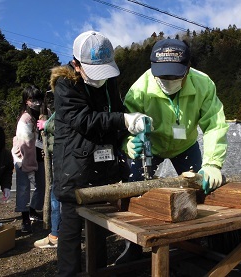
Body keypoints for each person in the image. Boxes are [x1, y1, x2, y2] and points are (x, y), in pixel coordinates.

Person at [119, 38, 229, 263]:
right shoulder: (139, 89)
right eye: (163, 76)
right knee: (134, 190)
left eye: (175, 76)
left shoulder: (204, 84)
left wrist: (213, 163)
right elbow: (123, 124)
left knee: (200, 189)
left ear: (188, 68)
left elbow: (215, 124)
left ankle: (194, 241)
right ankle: (131, 245)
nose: (168, 81)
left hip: (185, 145)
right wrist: (127, 144)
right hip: (151, 146)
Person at [51, 30, 151, 276]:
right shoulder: (65, 86)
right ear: (76, 65)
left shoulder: (109, 82)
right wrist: (124, 120)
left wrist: (126, 137)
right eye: (94, 72)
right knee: (72, 230)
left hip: (102, 165)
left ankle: (97, 271)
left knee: (99, 227)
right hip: (74, 168)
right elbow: (84, 120)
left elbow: (114, 113)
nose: (101, 79)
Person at [12, 85, 46, 233]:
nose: (37, 102)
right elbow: (25, 144)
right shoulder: (25, 119)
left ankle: (33, 210)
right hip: (23, 157)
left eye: (39, 99)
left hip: (39, 155)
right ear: (27, 101)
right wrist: (29, 166)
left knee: (42, 184)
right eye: (33, 99)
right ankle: (25, 218)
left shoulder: (43, 113)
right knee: (24, 188)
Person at [33, 112, 61, 248]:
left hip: (64, 157)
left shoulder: (69, 100)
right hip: (59, 154)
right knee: (57, 197)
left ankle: (56, 235)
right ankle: (58, 233)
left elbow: (66, 126)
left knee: (57, 198)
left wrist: (48, 125)